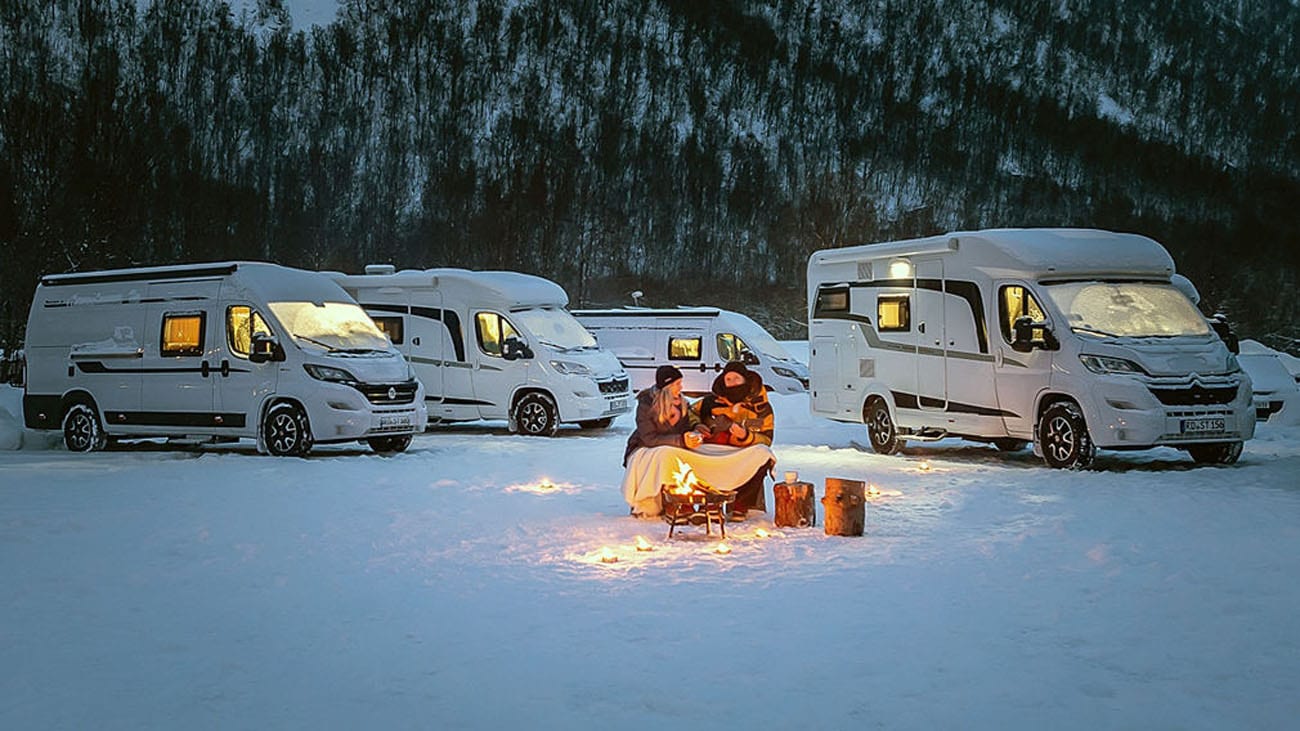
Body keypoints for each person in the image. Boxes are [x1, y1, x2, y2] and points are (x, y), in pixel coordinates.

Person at [693, 361, 774, 520]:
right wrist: (698, 425)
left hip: (743, 451)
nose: (732, 383)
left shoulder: (760, 407)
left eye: (736, 379)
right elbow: (690, 413)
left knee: (763, 456)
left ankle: (740, 505)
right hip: (713, 450)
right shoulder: (710, 401)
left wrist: (745, 436)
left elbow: (766, 438)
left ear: (745, 379)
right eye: (728, 379)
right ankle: (708, 504)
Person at [622, 364, 706, 468]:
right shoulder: (647, 405)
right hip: (644, 447)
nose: (681, 387)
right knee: (666, 455)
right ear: (667, 387)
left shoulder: (682, 404)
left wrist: (694, 430)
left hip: (671, 447)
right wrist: (681, 440)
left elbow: (684, 429)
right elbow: (649, 438)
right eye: (677, 384)